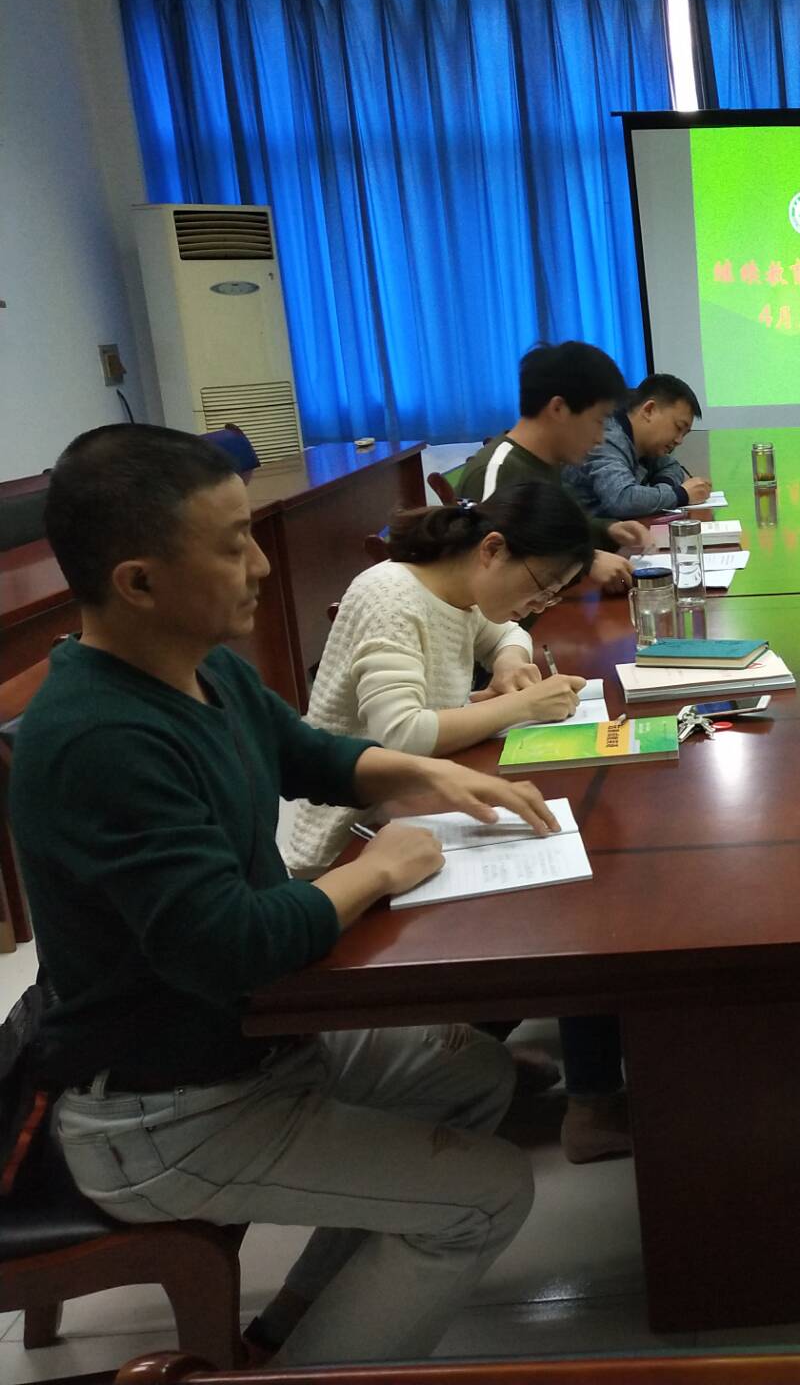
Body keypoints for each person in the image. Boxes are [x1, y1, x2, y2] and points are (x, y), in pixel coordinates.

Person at [13, 425, 558, 1364]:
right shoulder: (104, 740)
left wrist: (432, 776)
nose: (263, 565)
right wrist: (375, 869)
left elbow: (309, 754)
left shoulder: (201, 665)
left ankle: (295, 1328)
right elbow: (232, 944)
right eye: (233, 545)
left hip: (251, 1044)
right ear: (139, 582)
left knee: (471, 1073)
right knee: (490, 1196)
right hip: (165, 1108)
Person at [284, 481, 632, 1164]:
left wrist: (512, 663)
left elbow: (503, 630)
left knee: (571, 855)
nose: (538, 606)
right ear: (492, 549)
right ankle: (574, 1095)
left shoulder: (459, 590)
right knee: (574, 895)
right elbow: (402, 733)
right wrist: (522, 705)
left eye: (552, 596)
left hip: (414, 807)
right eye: (538, 587)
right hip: (351, 837)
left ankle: (474, 1049)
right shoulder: (391, 596)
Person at [453, 341, 646, 592]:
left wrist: (609, 529)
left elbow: (552, 533)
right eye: (598, 421)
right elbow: (486, 573)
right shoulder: (498, 470)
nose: (600, 438)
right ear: (558, 408)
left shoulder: (551, 463)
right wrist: (586, 562)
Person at [567, 373, 710, 518]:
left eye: (684, 434)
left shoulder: (648, 444)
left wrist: (663, 487)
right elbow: (622, 499)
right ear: (649, 410)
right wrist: (681, 494)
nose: (679, 440)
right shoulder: (605, 437)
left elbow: (671, 466)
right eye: (678, 427)